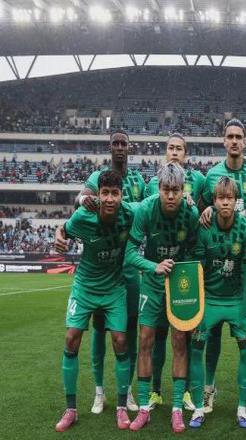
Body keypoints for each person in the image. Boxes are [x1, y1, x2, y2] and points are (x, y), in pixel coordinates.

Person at [54, 171, 137, 432]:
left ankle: (122, 407)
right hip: (85, 287)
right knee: (71, 338)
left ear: (122, 196)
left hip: (114, 288)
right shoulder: (83, 216)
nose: (110, 199)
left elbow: (154, 205)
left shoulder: (130, 214)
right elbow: (64, 230)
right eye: (105, 193)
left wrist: (189, 202)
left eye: (115, 193)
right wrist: (59, 236)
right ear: (98, 195)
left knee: (121, 340)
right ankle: (70, 409)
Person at [199, 118, 246, 415]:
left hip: (243, 256)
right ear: (224, 141)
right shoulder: (212, 175)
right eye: (230, 136)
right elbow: (202, 210)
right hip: (217, 264)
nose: (235, 141)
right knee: (211, 336)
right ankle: (208, 389)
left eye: (239, 136)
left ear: (245, 141)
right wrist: (205, 209)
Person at [125, 162, 199, 433]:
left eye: (176, 190)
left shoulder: (190, 213)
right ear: (159, 188)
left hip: (179, 284)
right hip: (152, 282)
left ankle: (177, 408)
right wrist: (153, 266)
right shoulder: (146, 209)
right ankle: (144, 407)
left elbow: (196, 249)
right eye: (166, 189)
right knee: (145, 339)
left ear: (183, 190)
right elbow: (130, 253)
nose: (170, 195)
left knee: (179, 340)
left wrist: (185, 277)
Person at [76, 129, 145, 414]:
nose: (119, 147)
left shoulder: (139, 180)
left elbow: (148, 209)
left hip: (129, 270)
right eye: (115, 143)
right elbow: (81, 198)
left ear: (129, 147)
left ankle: (126, 391)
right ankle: (99, 391)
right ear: (109, 147)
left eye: (123, 143)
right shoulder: (98, 178)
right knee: (99, 329)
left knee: (129, 331)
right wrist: (83, 200)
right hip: (103, 271)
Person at [189, 177, 246, 429]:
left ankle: (242, 407)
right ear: (214, 201)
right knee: (197, 348)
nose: (225, 202)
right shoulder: (204, 227)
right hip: (210, 299)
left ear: (236, 201)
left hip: (236, 300)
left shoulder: (245, 228)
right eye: (220, 198)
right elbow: (197, 269)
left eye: (229, 198)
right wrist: (197, 306)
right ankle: (199, 406)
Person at [144, 132, 204, 411]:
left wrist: (202, 209)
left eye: (180, 148)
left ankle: (186, 392)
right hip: (155, 274)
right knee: (157, 335)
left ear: (186, 153)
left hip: (182, 276)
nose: (175, 152)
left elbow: (202, 219)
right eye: (171, 147)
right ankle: (155, 391)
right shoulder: (151, 187)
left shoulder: (197, 182)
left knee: (184, 335)